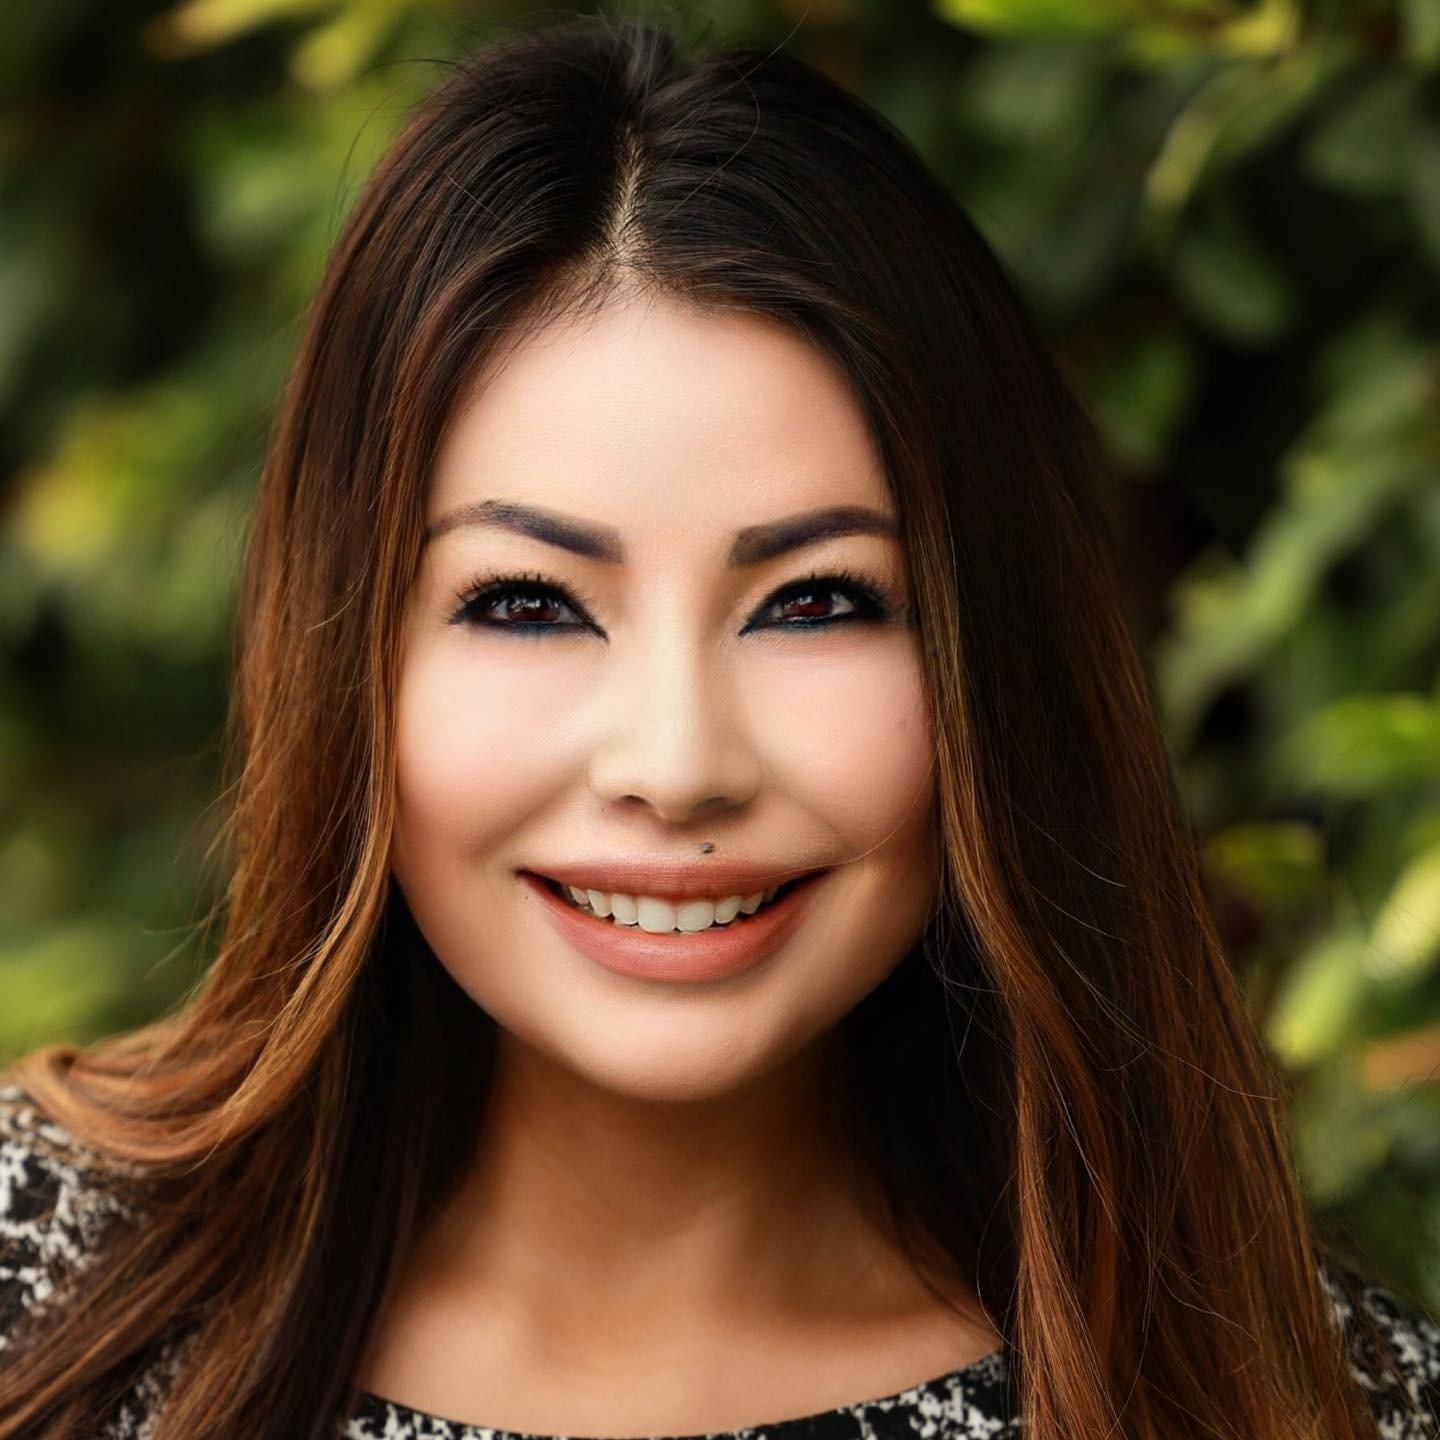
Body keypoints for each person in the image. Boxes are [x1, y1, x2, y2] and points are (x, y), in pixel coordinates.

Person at [2, 13, 1438, 1440]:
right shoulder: (40, 1284)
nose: (677, 766)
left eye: (816, 602)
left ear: (994, 665)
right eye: (528, 604)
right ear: (346, 657)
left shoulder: (1308, 1405)